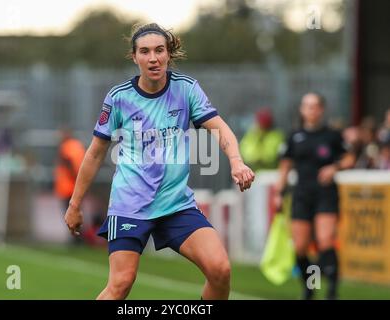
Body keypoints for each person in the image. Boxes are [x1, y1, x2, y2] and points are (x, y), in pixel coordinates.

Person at [64, 23, 255, 300]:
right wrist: (74, 204)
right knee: (121, 284)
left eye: (159, 50)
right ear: (134, 57)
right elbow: (94, 152)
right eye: (145, 51)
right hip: (130, 206)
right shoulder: (119, 98)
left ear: (168, 54)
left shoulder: (186, 89)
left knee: (220, 269)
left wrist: (236, 161)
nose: (153, 58)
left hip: (176, 205)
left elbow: (221, 129)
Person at [273, 93, 355, 300]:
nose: (311, 110)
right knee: (300, 248)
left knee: (325, 241)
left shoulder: (332, 135)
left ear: (321, 110)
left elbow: (349, 158)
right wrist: (279, 194)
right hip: (302, 195)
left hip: (326, 194)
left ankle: (332, 291)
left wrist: (334, 167)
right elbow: (284, 166)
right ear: (302, 110)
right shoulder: (294, 136)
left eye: (315, 106)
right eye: (307, 106)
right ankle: (311, 286)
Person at [54, 127, 85, 229]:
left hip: (68, 187)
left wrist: (76, 179)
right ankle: (79, 236)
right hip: (78, 186)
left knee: (70, 215)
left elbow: (68, 162)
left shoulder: (66, 146)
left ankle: (76, 237)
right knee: (78, 213)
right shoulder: (78, 145)